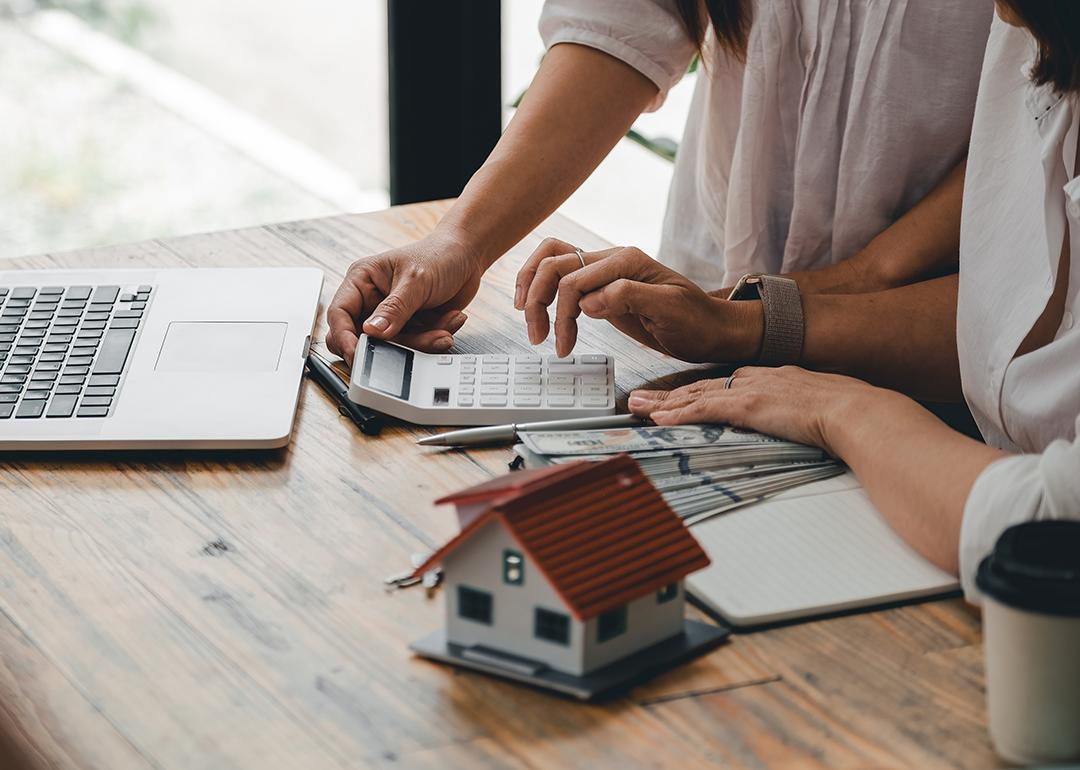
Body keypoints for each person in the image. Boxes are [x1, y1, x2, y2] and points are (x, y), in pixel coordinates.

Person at [628, 0, 1080, 600]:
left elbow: (1049, 526)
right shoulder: (1028, 37)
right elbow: (1009, 326)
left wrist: (840, 410)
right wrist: (752, 326)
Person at [326, 0, 994, 363]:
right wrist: (461, 242)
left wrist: (794, 301)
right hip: (717, 308)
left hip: (945, 329)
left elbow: (1051, 95)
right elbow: (623, 24)